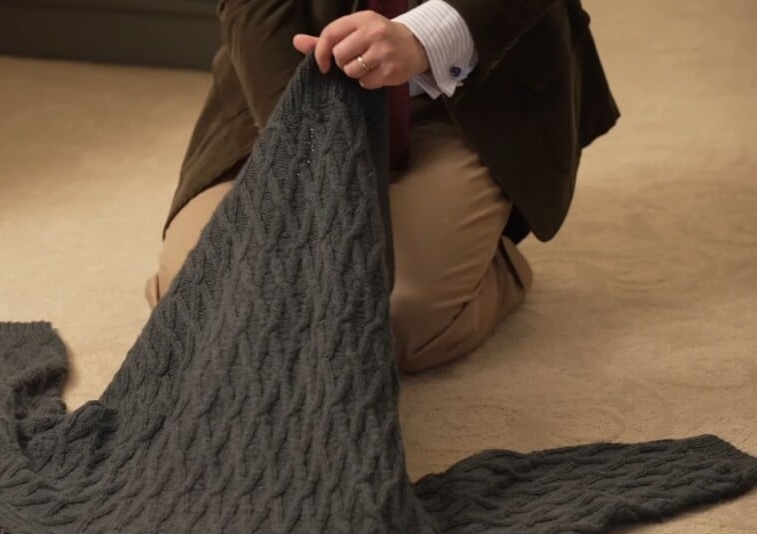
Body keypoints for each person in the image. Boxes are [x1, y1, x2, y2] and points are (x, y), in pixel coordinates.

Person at [144, 0, 619, 373]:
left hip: (470, 83)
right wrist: (304, 141)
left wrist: (425, 36)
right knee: (200, 304)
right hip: (295, 79)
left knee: (392, 319)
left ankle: (495, 266)